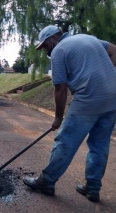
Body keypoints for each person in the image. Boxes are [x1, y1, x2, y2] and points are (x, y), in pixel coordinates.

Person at [23, 25, 116, 202]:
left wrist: (58, 118)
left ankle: (47, 181)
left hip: (88, 98)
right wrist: (106, 73)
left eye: (45, 46)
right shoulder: (88, 38)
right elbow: (115, 51)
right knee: (100, 144)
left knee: (66, 140)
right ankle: (93, 188)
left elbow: (60, 89)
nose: (46, 51)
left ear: (54, 38)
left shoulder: (60, 50)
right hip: (112, 98)